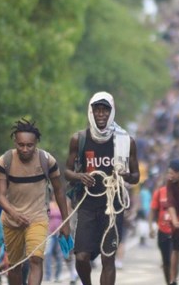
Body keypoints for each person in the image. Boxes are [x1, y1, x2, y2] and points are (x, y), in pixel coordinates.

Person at [64, 92, 140, 285]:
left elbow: (136, 176)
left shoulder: (125, 141)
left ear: (111, 112)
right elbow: (67, 172)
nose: (101, 114)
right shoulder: (79, 139)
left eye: (105, 110)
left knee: (108, 257)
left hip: (113, 206)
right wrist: (80, 176)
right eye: (97, 109)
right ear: (91, 112)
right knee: (81, 256)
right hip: (87, 205)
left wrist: (124, 175)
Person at [0, 118, 70, 285]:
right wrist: (14, 213)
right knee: (14, 266)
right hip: (12, 220)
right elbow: (0, 196)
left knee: (36, 259)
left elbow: (59, 190)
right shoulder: (4, 161)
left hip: (38, 219)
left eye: (30, 145)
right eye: (21, 145)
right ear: (15, 142)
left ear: (36, 143)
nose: (25, 149)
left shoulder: (47, 160)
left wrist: (66, 221)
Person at [148, 182, 172, 284]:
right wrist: (151, 228)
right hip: (163, 231)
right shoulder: (159, 193)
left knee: (172, 259)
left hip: (176, 232)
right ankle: (169, 282)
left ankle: (173, 280)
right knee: (166, 261)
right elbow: (153, 211)